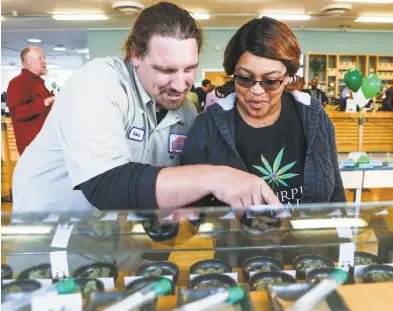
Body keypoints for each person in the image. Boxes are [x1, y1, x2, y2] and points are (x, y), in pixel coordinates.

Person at [12, 2, 280, 214]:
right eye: (166, 69)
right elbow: (105, 185)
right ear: (135, 56)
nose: (180, 84)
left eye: (189, 68)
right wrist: (216, 177)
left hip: (114, 243)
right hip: (50, 234)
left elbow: (168, 190)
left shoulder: (185, 113)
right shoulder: (97, 83)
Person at [182, 17, 346, 205]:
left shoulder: (315, 118)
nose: (257, 91)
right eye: (245, 78)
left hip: (308, 234)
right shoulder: (207, 127)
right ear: (233, 73)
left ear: (287, 78)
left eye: (270, 81)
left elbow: (336, 195)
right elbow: (192, 207)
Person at [6, 46, 55, 155]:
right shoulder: (17, 83)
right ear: (28, 60)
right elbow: (17, 112)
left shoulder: (39, 83)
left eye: (44, 58)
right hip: (34, 149)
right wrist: (43, 102)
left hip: (47, 145)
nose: (44, 62)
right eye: (40, 58)